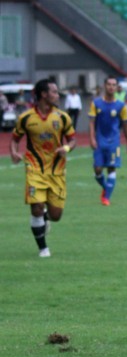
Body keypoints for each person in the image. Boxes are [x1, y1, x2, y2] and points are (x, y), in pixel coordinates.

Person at [9, 79, 77, 258]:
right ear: (43, 94)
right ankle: (43, 249)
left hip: (56, 171)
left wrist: (67, 148)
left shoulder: (62, 117)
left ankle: (46, 217)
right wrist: (14, 153)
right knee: (36, 207)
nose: (57, 95)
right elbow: (15, 139)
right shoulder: (26, 118)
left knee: (56, 215)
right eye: (54, 92)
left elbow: (73, 140)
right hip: (34, 169)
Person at [89, 76, 127, 206]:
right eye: (109, 84)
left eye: (114, 85)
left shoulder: (121, 106)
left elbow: (125, 126)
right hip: (99, 141)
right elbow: (91, 123)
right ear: (104, 86)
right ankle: (106, 188)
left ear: (116, 87)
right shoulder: (96, 103)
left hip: (114, 143)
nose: (111, 87)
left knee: (111, 169)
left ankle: (106, 198)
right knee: (97, 169)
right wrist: (91, 138)